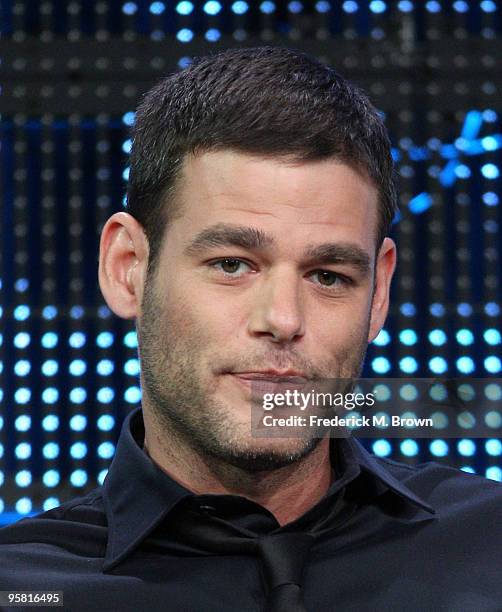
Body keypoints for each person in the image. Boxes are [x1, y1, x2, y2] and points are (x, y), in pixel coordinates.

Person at [0, 46, 501, 612]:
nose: (284, 320)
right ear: (128, 268)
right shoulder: (21, 585)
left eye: (328, 276)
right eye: (232, 264)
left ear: (379, 292)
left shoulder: (491, 548)